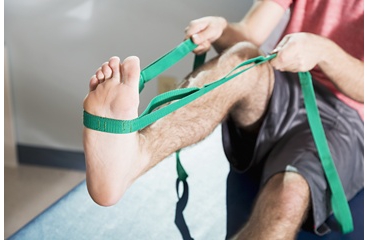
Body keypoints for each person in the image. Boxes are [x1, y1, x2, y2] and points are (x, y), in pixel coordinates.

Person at [83, 0, 363, 239]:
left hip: (345, 115)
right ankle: (136, 153)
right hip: (283, 81)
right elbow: (249, 33)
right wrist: (222, 30)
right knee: (242, 57)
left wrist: (324, 51)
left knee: (288, 195)